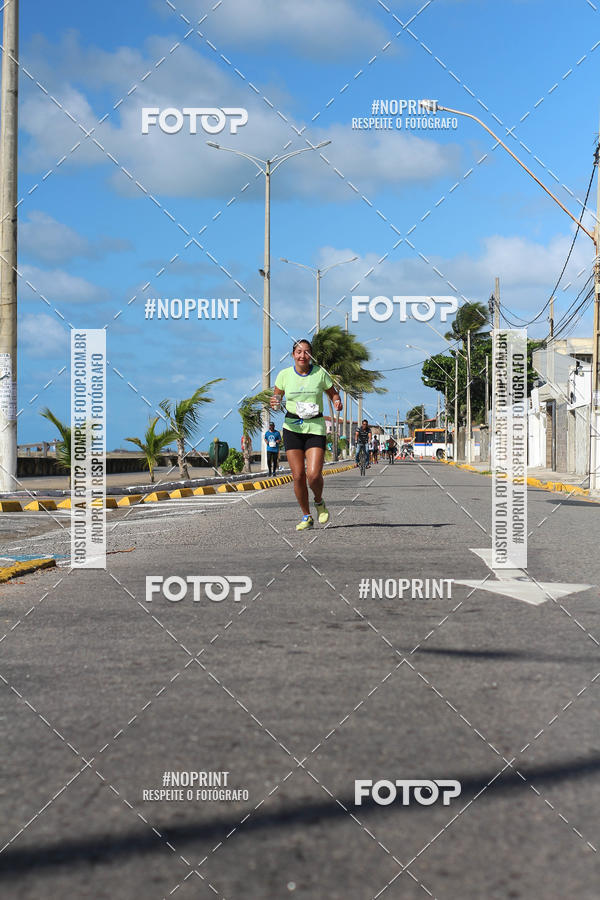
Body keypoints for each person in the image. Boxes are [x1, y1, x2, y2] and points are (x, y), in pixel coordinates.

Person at [271, 339, 342, 531]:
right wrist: (275, 402)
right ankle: (306, 515)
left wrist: (337, 401)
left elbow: (333, 394)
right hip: (292, 427)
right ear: (293, 354)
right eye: (299, 352)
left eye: (307, 352)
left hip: (315, 428)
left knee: (313, 475)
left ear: (311, 355)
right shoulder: (284, 375)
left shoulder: (320, 373)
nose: (303, 356)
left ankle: (319, 502)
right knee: (298, 476)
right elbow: (277, 395)